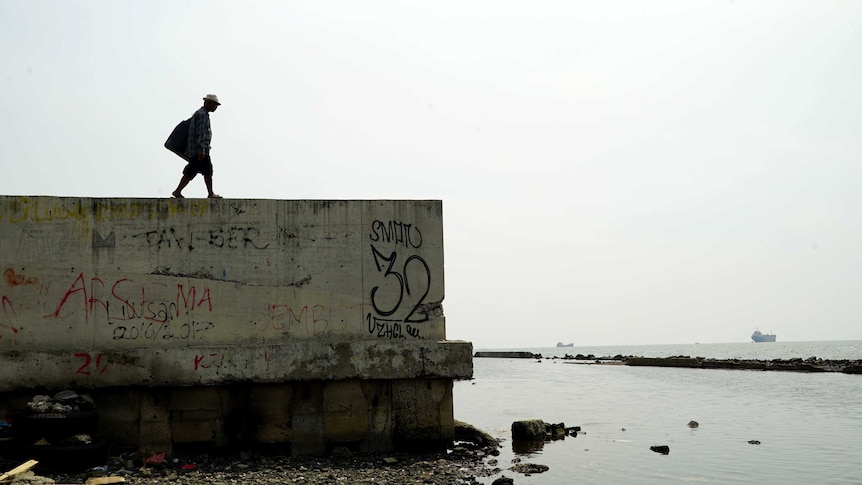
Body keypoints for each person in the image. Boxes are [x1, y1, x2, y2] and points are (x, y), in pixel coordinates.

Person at [172, 94, 222, 198]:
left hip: (196, 150)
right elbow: (201, 133)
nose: (215, 107)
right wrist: (201, 149)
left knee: (191, 171)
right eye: (214, 105)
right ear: (209, 103)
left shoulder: (201, 113)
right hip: (199, 150)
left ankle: (178, 191)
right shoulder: (202, 114)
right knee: (207, 171)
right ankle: (210, 193)